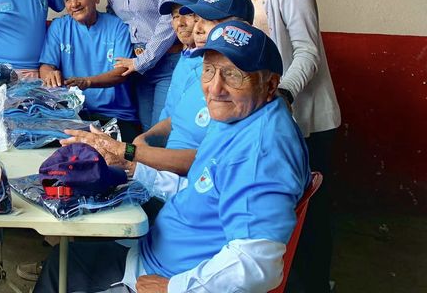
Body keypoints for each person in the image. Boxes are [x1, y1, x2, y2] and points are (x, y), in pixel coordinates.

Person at [36, 20, 310, 293]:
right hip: (154, 252)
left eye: (233, 75)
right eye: (209, 70)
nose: (215, 88)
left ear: (270, 85)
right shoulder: (239, 117)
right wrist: (132, 166)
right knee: (64, 259)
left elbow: (257, 263)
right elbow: (200, 187)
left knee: (62, 267)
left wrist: (173, 287)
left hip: (164, 275)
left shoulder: (261, 151)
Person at [229, 0, 341, 293]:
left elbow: (308, 51)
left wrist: (284, 93)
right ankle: (293, 280)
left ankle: (317, 283)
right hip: (274, 116)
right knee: (284, 205)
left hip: (306, 117)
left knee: (312, 209)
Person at [120, 0, 255, 175]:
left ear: (241, 30)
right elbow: (176, 119)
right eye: (198, 19)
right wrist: (143, 142)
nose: (197, 29)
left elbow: (210, 161)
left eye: (210, 21)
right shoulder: (197, 62)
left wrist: (131, 152)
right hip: (162, 171)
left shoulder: (240, 88)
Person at [102, 0, 186, 129]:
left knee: (160, 129)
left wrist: (143, 60)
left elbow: (171, 20)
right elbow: (114, 24)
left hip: (167, 63)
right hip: (137, 68)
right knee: (146, 129)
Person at [38, 0, 139, 141]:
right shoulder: (59, 27)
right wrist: (49, 74)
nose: (74, 4)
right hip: (74, 115)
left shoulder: (118, 26)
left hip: (117, 115)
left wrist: (87, 82)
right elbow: (46, 66)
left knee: (126, 152)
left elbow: (122, 71)